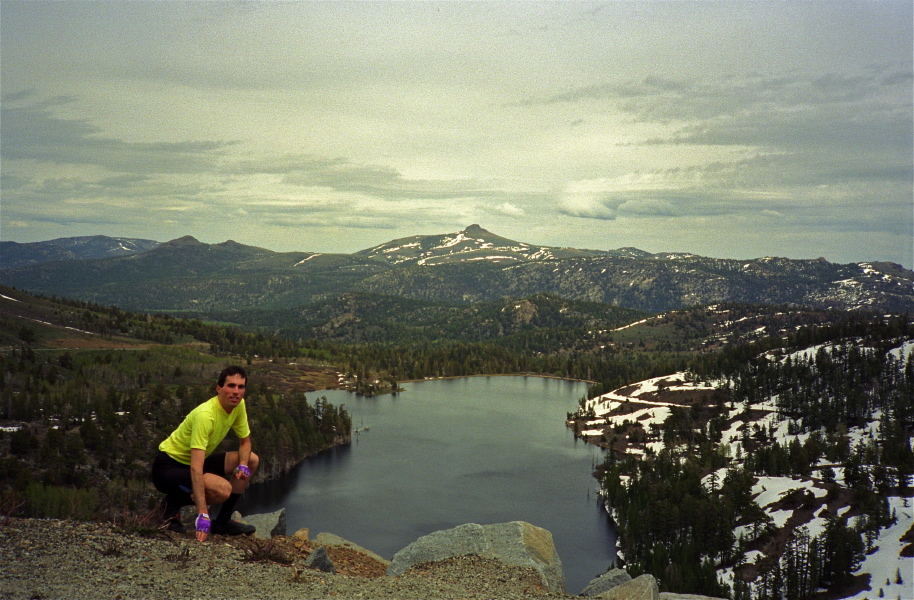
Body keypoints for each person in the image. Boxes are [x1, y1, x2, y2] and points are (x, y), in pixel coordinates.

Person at [151, 365, 260, 540]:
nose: (236, 391)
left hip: (192, 463)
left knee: (252, 459)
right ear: (219, 388)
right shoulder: (206, 415)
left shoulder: (238, 405)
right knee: (223, 490)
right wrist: (203, 514)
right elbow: (196, 468)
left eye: (241, 387)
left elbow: (245, 442)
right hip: (168, 468)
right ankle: (170, 505)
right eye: (231, 386)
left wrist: (243, 465)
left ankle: (222, 522)